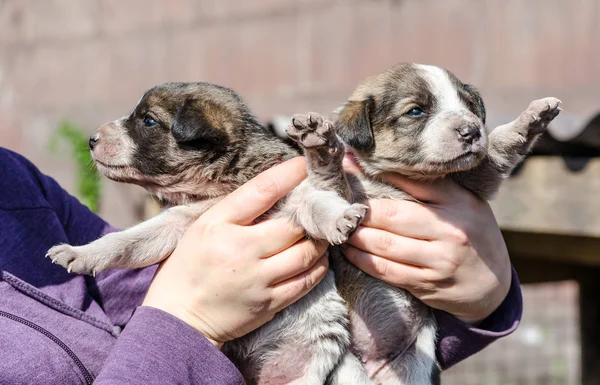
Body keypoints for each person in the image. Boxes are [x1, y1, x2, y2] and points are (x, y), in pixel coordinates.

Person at [0, 147, 521, 384]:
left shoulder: (11, 181)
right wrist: (187, 325)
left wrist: (472, 296)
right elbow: (179, 300)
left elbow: (138, 281)